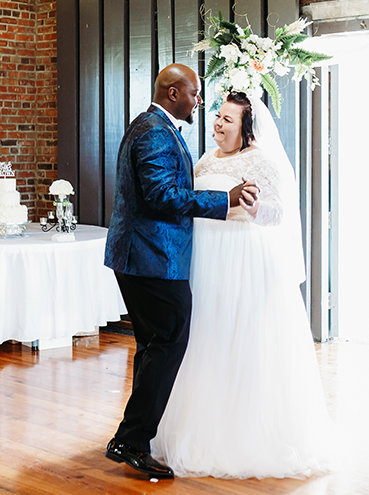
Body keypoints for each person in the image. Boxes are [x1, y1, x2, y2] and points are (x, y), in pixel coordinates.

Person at [152, 90, 335, 479]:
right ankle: (199, 427)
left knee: (242, 340)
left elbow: (277, 214)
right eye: (218, 116)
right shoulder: (205, 160)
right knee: (203, 337)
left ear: (247, 129)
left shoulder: (261, 161)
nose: (218, 124)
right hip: (204, 257)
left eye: (228, 120)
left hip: (242, 257)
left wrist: (254, 208)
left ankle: (244, 434)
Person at [103, 64, 258, 480]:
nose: (199, 102)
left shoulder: (151, 125)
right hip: (152, 258)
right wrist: (223, 200)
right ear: (173, 93)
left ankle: (135, 437)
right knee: (169, 343)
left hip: (141, 257)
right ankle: (131, 440)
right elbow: (162, 196)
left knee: (153, 346)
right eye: (195, 93)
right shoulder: (155, 131)